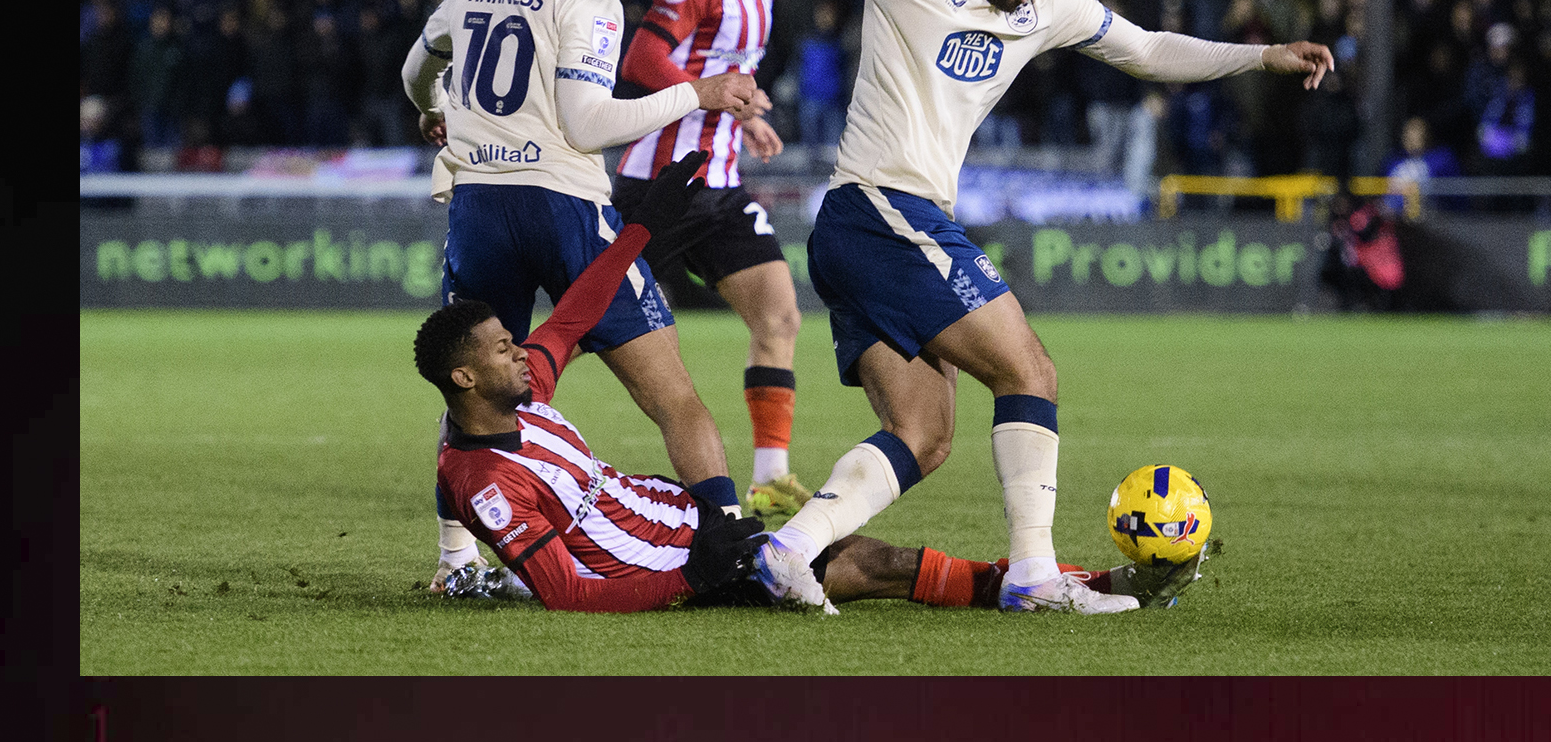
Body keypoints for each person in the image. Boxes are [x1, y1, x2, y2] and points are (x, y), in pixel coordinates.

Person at [678, 0, 1332, 615]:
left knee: (924, 435)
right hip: (883, 209)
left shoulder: (1044, 9)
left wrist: (1263, 55)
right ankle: (1033, 575)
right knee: (1031, 372)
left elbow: (1148, 48)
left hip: (869, 230)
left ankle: (788, 551)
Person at [417, 153, 1203, 613]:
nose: (521, 351)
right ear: (463, 377)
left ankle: (1062, 581)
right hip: (672, 562)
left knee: (854, 554)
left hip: (684, 518)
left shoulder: (523, 393)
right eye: (500, 349)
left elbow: (577, 311)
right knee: (867, 562)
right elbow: (566, 592)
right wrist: (695, 571)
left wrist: (642, 229)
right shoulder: (484, 480)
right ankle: (1080, 582)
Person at [400, 0, 761, 590]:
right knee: (672, 396)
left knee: (473, 390)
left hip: (478, 210)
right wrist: (696, 92)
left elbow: (414, 69)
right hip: (562, 207)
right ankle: (735, 546)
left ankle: (455, 563)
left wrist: (435, 108)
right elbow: (588, 124)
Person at [610, 0, 813, 525]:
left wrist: (745, 117)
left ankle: (770, 478)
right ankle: (506, 433)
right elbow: (642, 60)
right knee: (592, 326)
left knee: (779, 317)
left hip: (720, 186)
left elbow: (724, 74)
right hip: (661, 185)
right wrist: (716, 98)